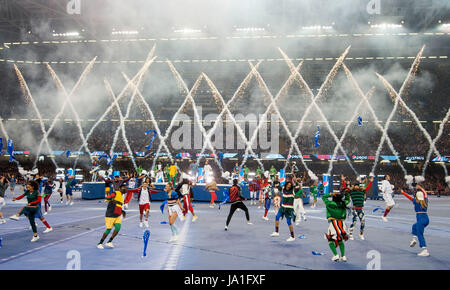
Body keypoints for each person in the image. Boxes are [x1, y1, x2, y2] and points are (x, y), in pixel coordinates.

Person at [401, 184, 430, 256]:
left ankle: (424, 249)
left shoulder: (416, 201)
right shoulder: (425, 201)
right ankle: (414, 239)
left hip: (420, 219)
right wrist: (421, 188)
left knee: (420, 234)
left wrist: (403, 192)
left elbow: (409, 197)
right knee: (414, 226)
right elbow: (425, 194)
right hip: (426, 218)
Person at [322, 190, 350, 262]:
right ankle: (343, 256)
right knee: (340, 239)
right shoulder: (343, 203)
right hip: (342, 223)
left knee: (330, 240)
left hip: (333, 223)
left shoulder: (330, 203)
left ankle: (336, 255)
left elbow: (323, 197)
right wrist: (346, 193)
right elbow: (348, 199)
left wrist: (331, 194)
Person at [348, 176, 373, 240]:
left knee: (363, 222)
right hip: (354, 209)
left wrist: (370, 182)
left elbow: (367, 188)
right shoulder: (352, 192)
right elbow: (347, 189)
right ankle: (350, 234)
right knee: (354, 222)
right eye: (355, 186)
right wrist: (345, 183)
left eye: (357, 186)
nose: (357, 187)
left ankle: (361, 234)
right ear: (354, 186)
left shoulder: (362, 191)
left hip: (361, 209)